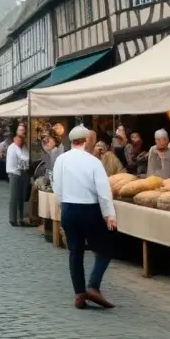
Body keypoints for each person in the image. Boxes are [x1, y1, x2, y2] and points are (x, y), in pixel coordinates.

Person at [53, 125, 117, 309]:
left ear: (72, 141)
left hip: (69, 209)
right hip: (90, 210)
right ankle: (93, 285)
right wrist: (109, 215)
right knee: (104, 250)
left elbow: (57, 188)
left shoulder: (61, 160)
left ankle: (79, 294)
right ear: (87, 140)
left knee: (75, 252)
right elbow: (103, 192)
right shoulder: (93, 162)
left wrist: (63, 208)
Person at [6, 130, 31, 226]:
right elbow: (24, 157)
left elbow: (26, 156)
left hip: (21, 173)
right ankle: (13, 219)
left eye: (22, 139)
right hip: (14, 174)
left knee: (21, 197)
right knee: (14, 197)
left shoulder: (22, 147)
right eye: (19, 138)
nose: (20, 140)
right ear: (14, 139)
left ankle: (20, 218)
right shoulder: (13, 147)